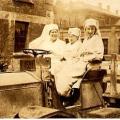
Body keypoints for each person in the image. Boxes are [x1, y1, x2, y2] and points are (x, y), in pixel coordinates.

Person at [54, 27, 84, 106]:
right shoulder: (67, 46)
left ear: (77, 37)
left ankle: (66, 96)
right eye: (69, 36)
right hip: (67, 63)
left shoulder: (80, 46)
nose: (70, 38)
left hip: (76, 64)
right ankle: (58, 95)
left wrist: (71, 61)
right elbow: (63, 56)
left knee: (66, 76)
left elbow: (80, 57)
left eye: (72, 36)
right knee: (56, 72)